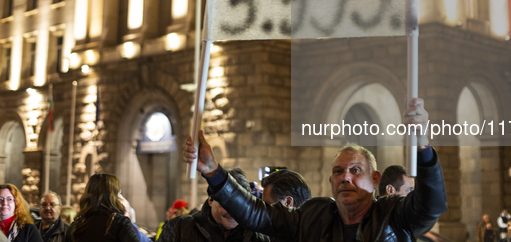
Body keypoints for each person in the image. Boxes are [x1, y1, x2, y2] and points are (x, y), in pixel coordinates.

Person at [184, 97, 447, 242]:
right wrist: (212, 170)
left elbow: (430, 206)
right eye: (338, 171)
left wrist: (422, 144)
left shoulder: (394, 214)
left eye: (356, 170)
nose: (345, 177)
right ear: (330, 181)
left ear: (375, 178)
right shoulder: (313, 216)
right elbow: (256, 214)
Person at [158, 168, 269, 242]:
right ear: (210, 200)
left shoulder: (258, 236)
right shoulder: (179, 228)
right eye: (227, 204)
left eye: (240, 206)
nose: (233, 212)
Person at [64, 174, 139, 242]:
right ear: (112, 196)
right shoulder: (120, 223)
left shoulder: (77, 224)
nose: (121, 197)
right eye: (119, 193)